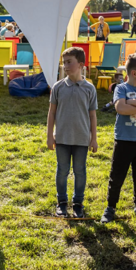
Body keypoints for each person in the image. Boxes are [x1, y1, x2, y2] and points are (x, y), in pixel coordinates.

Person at [100, 53, 136, 223]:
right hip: (124, 141)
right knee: (117, 176)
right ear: (134, 73)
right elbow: (120, 109)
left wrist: (131, 103)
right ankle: (110, 207)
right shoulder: (121, 88)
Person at [47, 46, 98, 218]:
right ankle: (61, 203)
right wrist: (49, 136)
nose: (65, 66)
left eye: (69, 62)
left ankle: (78, 203)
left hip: (82, 139)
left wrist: (94, 139)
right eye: (64, 63)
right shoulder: (58, 87)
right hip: (61, 138)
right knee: (62, 171)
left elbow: (92, 115)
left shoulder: (89, 88)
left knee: (80, 171)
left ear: (81, 64)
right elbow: (51, 113)